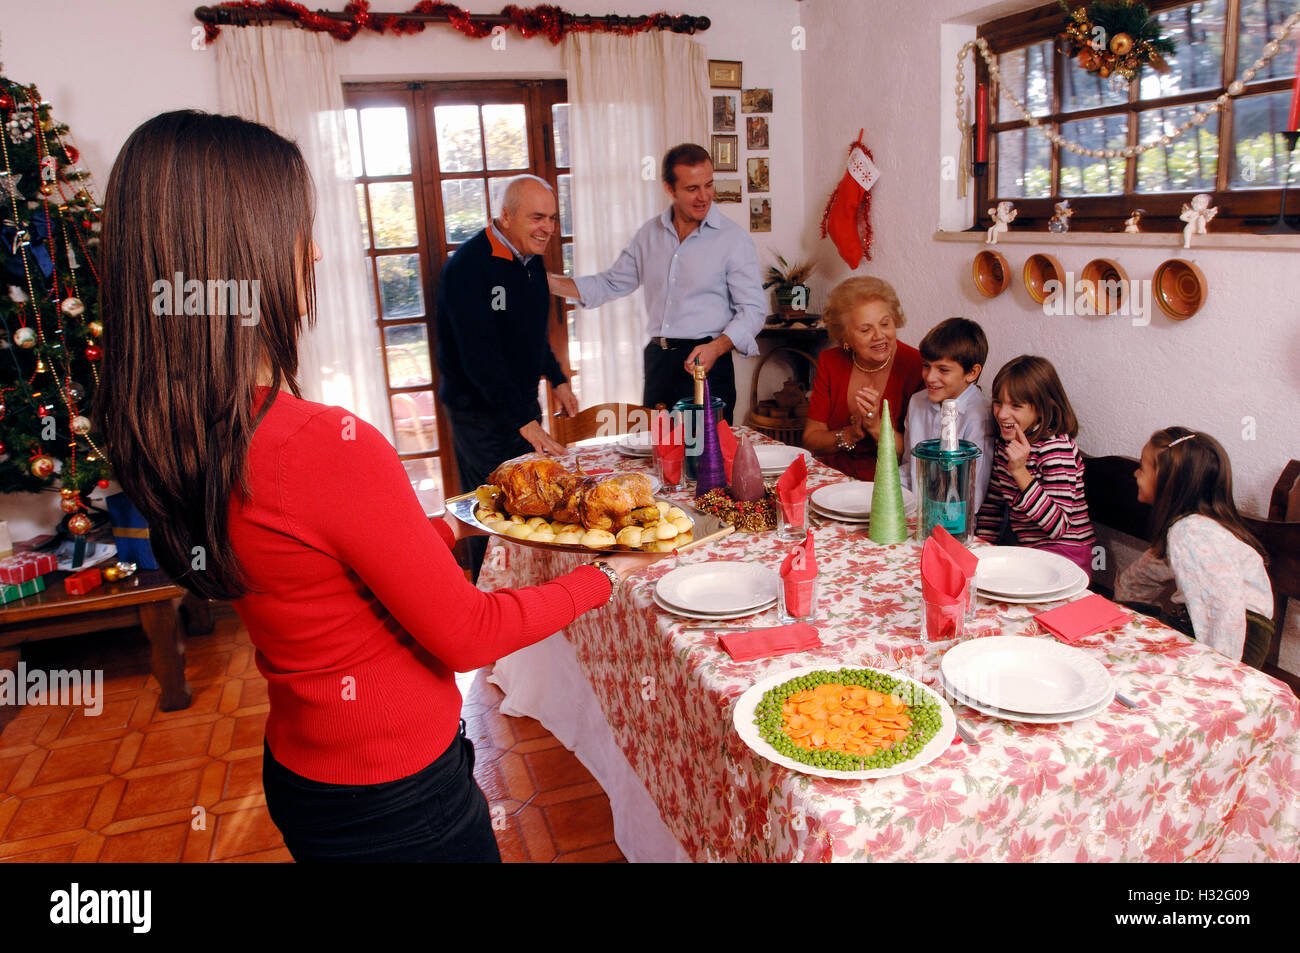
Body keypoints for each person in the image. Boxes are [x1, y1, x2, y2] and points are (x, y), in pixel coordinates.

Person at [94, 111, 663, 863]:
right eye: (297, 228)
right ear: (241, 258)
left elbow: (326, 576)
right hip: (399, 798)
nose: (317, 249)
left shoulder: (184, 429)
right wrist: (606, 574)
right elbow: (469, 631)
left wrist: (452, 523)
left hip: (308, 774)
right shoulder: (326, 447)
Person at [546, 143, 765, 422]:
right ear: (669, 189)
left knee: (708, 460)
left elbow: (754, 310)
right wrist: (548, 283)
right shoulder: (649, 234)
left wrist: (717, 348)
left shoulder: (733, 240)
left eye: (708, 185)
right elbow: (610, 284)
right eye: (692, 188)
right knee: (657, 455)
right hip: (658, 364)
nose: (704, 196)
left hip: (707, 364)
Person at [436, 173, 579, 578]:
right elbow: (480, 357)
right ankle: (488, 598)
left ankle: (531, 599)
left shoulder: (531, 262)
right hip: (478, 414)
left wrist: (558, 379)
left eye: (552, 218)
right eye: (537, 217)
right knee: (495, 511)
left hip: (519, 406)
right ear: (506, 216)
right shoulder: (468, 267)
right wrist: (526, 423)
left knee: (531, 503)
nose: (547, 228)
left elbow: (533, 337)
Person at [1115, 428, 1273, 666]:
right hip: (1218, 625)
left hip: (1238, 635)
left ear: (1168, 483)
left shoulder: (1191, 532)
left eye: (1143, 468)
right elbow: (1143, 575)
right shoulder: (1189, 529)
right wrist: (1127, 614)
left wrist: (1219, 668)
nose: (1136, 473)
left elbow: (1222, 608)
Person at [974, 355, 1096, 574]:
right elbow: (993, 505)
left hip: (1068, 554)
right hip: (1030, 553)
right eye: (998, 402)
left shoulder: (1056, 449)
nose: (1002, 413)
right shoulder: (1006, 444)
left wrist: (1020, 472)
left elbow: (1058, 527)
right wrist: (981, 550)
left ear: (1042, 408)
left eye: (1016, 406)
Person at [803, 277, 924, 481]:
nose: (879, 336)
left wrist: (876, 427)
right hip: (833, 478)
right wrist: (850, 434)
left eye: (885, 324)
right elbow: (811, 438)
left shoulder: (916, 365)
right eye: (865, 330)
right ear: (846, 338)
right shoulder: (831, 361)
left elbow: (917, 454)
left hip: (888, 485)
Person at [899, 317, 993, 509]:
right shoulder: (917, 402)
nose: (930, 377)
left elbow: (972, 496)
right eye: (926, 365)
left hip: (954, 521)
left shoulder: (979, 416)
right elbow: (910, 468)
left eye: (943, 369)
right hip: (912, 512)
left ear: (972, 373)